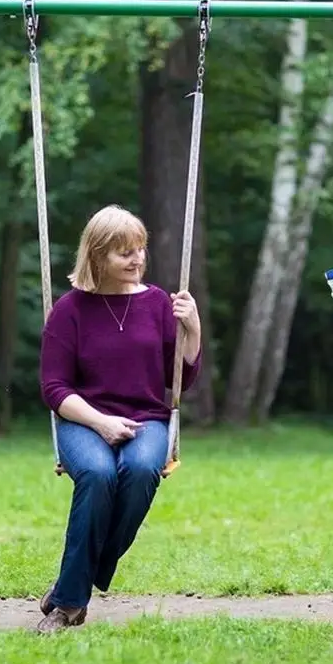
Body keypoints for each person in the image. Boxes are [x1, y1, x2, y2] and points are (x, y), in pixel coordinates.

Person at [36, 205, 202, 633]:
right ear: (96, 256)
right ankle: (69, 606)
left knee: (143, 467)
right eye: (123, 252)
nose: (137, 259)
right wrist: (100, 422)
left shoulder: (158, 304)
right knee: (96, 472)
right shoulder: (69, 311)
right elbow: (54, 388)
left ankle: (73, 581)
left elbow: (176, 379)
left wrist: (193, 332)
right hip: (82, 419)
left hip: (146, 417)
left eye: (140, 249)